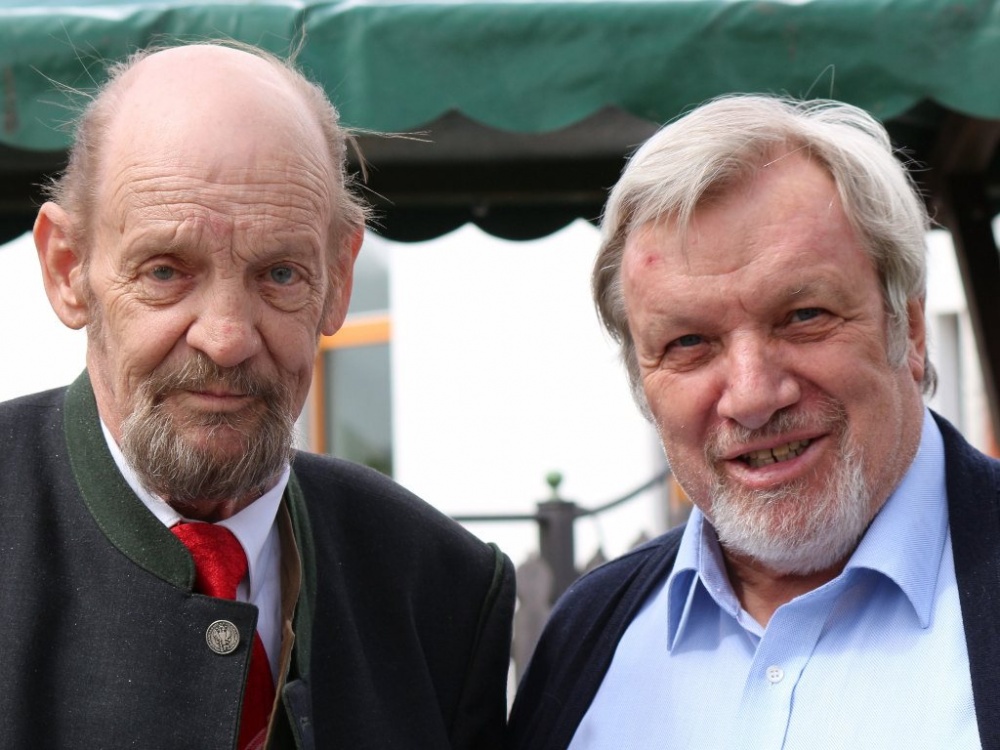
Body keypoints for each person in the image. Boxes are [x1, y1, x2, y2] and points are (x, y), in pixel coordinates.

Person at [0, 42, 515, 750]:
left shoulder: (441, 590)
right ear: (67, 270)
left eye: (279, 274)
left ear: (337, 281)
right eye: (165, 271)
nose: (227, 338)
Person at [507, 94, 1000, 749]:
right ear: (641, 382)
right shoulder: (587, 640)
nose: (752, 396)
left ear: (908, 328)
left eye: (803, 316)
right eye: (688, 343)